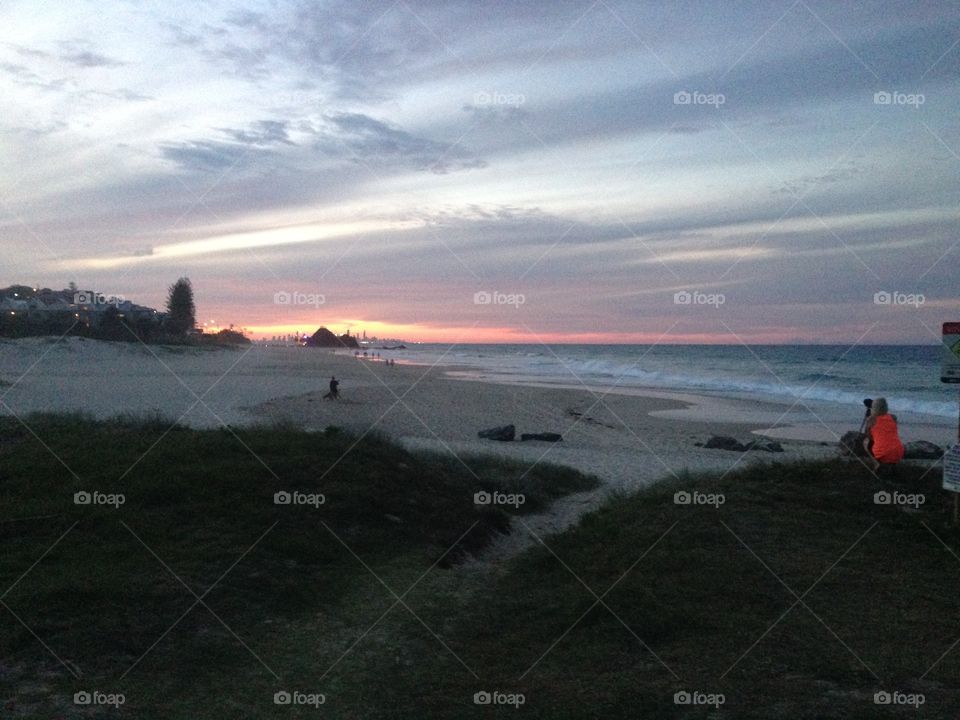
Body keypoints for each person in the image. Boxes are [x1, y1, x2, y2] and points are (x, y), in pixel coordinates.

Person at [862, 397, 904, 471]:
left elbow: (869, 436)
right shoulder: (893, 417)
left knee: (866, 442)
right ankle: (892, 465)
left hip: (882, 453)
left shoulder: (871, 420)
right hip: (899, 451)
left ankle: (876, 463)